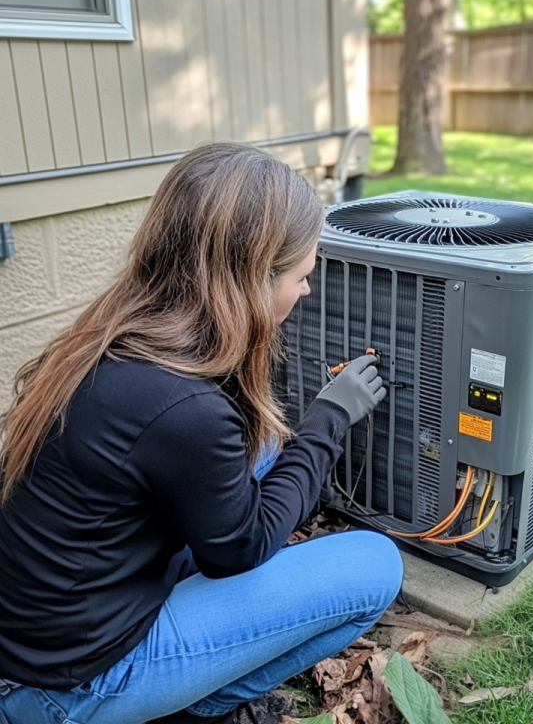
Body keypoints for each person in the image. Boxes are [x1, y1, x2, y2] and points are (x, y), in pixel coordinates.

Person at [0, 142, 403, 724]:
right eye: (301, 276)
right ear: (254, 279)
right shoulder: (181, 407)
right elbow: (240, 550)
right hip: (67, 686)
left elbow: (212, 451)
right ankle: (196, 705)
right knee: (376, 565)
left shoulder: (120, 326)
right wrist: (329, 418)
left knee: (264, 449)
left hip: (41, 631)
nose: (307, 292)